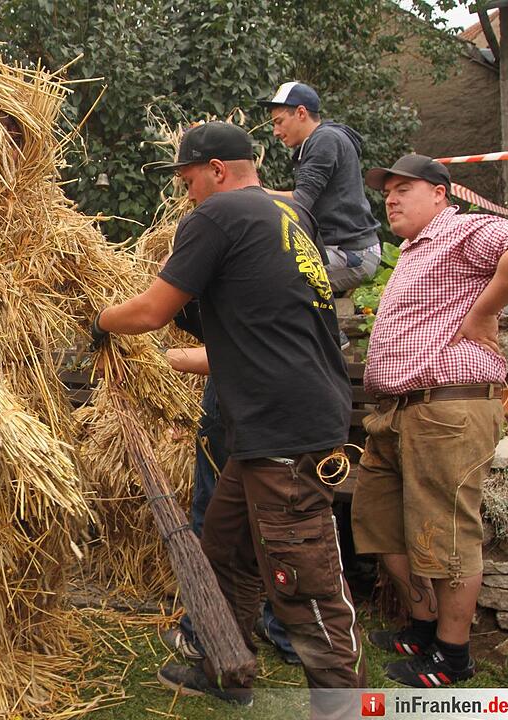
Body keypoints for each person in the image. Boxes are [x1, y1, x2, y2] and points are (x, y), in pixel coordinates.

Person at [91, 122, 363, 711]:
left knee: (302, 578)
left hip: (284, 425)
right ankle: (227, 669)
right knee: (226, 546)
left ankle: (342, 707)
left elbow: (151, 310)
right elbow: (251, 318)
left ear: (216, 170)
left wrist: (101, 321)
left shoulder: (217, 216)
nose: (186, 193)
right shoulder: (289, 216)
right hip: (281, 417)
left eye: (189, 179)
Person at [352, 154, 508, 688]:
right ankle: (422, 630)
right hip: (399, 411)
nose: (391, 199)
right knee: (386, 525)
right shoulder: (413, 252)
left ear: (441, 193)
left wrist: (482, 309)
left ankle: (453, 653)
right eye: (386, 192)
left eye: (404, 189)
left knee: (445, 534)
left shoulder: (462, 230)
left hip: (449, 407)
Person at [260, 81, 381, 292]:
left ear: (300, 113)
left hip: (351, 253)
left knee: (275, 282)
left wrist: (252, 194)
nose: (275, 132)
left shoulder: (325, 139)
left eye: (279, 122)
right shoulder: (319, 140)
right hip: (338, 250)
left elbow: (300, 201)